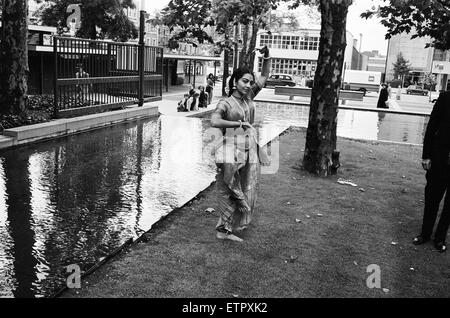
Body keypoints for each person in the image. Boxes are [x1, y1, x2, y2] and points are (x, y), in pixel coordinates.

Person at [210, 45, 271, 242]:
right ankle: (223, 230)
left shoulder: (250, 96)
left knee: (248, 186)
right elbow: (214, 121)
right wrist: (239, 123)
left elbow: (264, 76)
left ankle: (234, 224)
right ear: (235, 82)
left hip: (250, 148)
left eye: (249, 82)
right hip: (231, 148)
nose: (248, 85)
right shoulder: (226, 103)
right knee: (229, 186)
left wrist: (267, 57)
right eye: (244, 81)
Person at [413, 91, 450, 253]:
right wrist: (426, 155)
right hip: (439, 160)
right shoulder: (446, 98)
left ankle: (440, 238)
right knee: (432, 198)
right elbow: (432, 126)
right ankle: (425, 233)